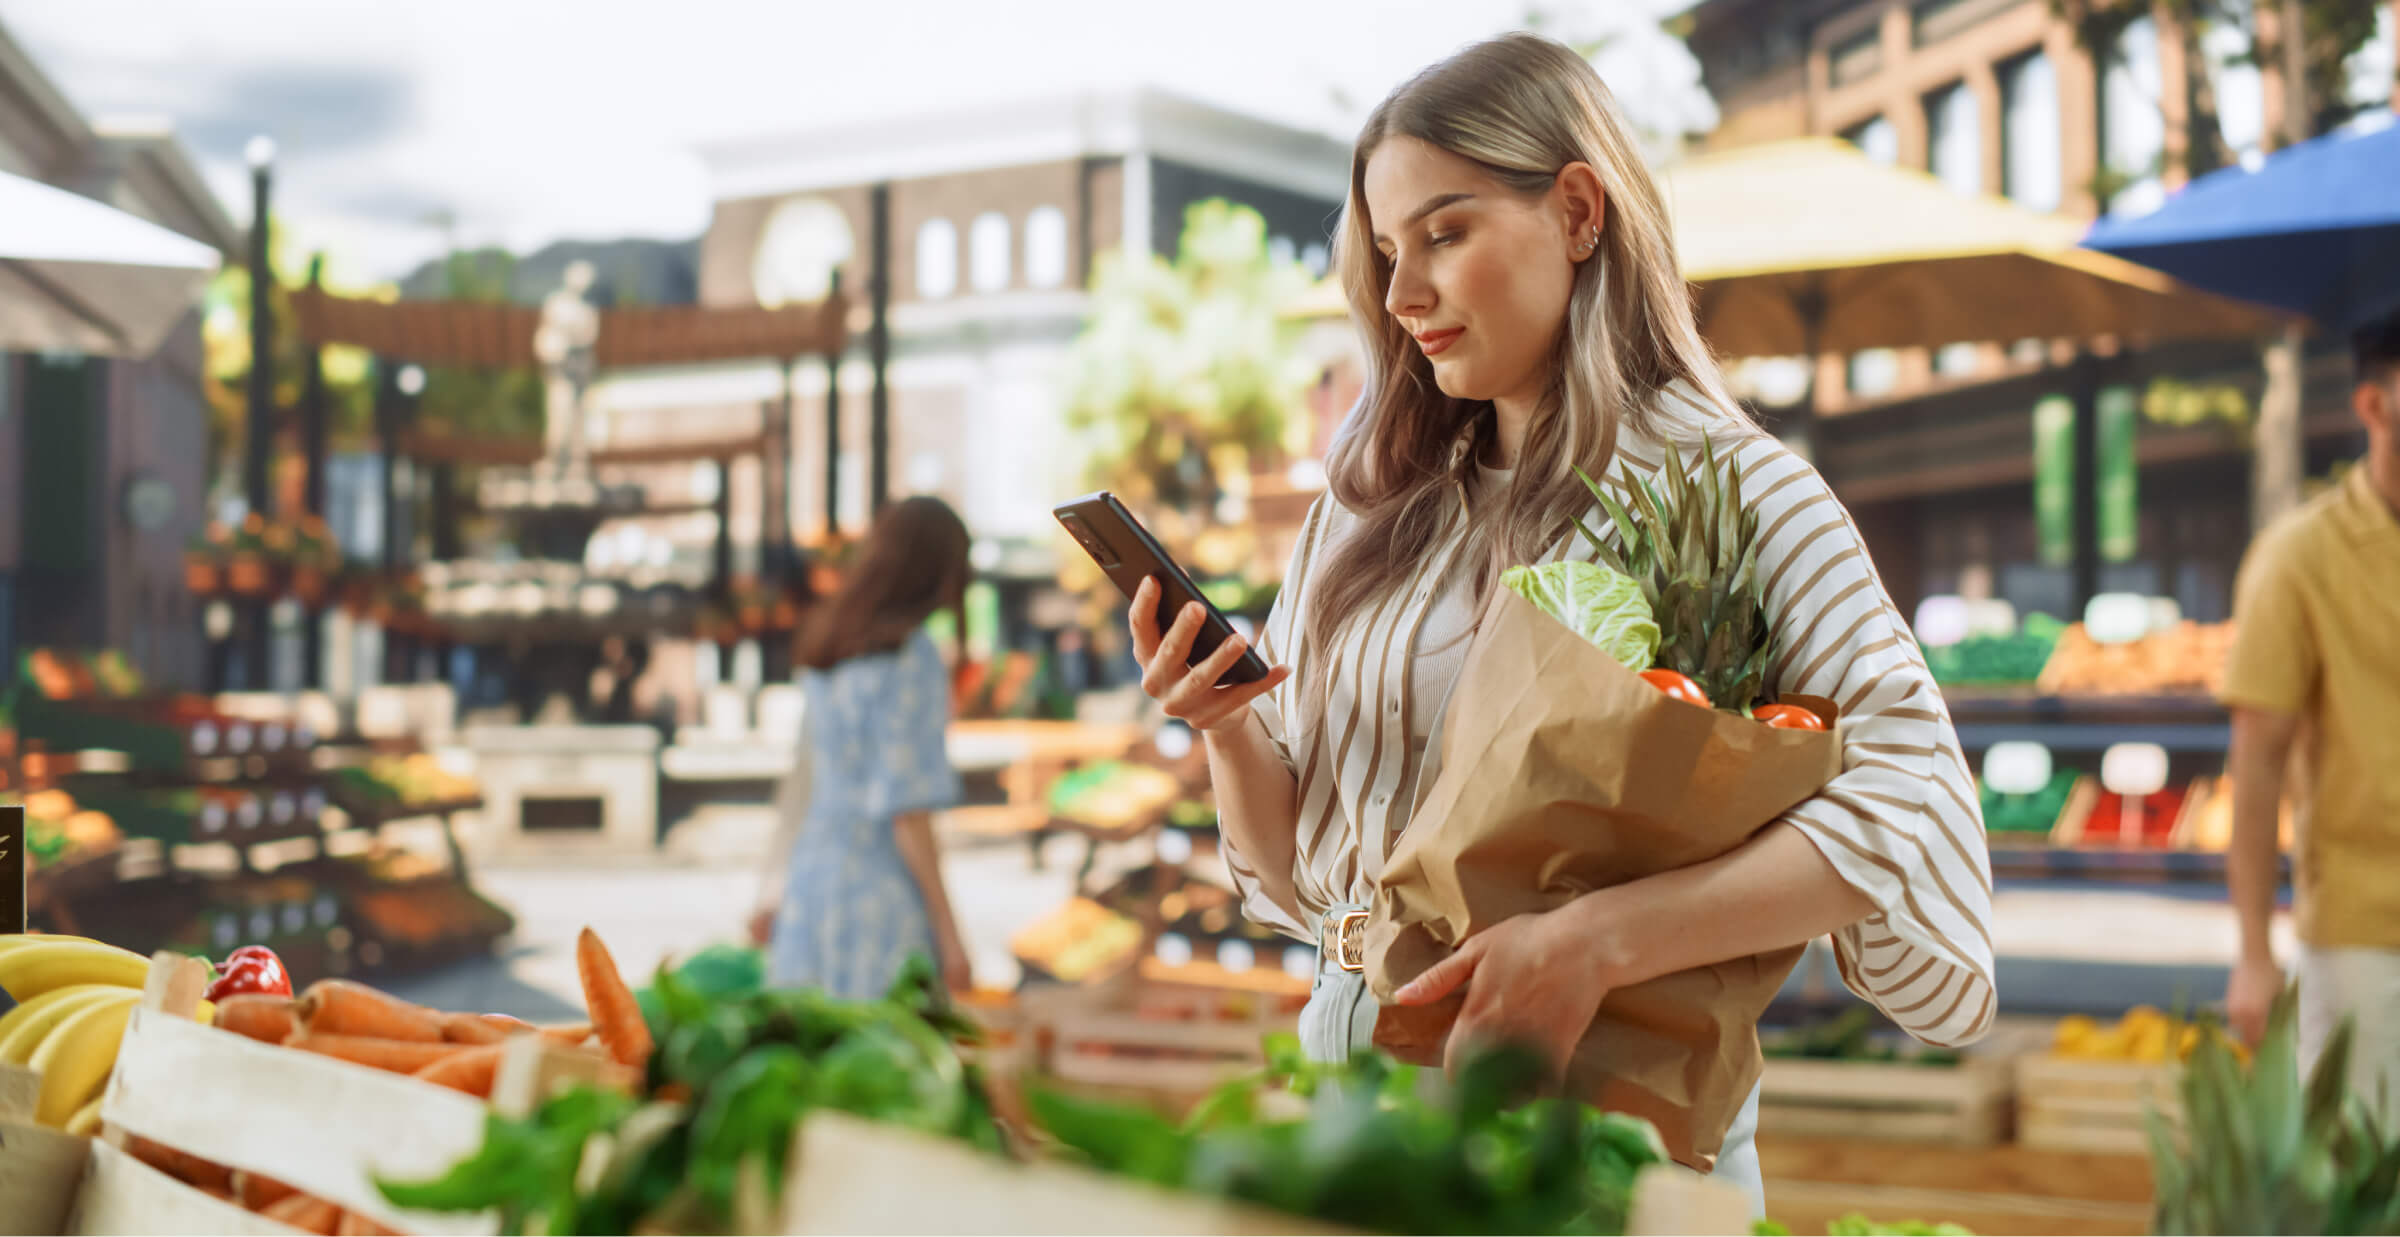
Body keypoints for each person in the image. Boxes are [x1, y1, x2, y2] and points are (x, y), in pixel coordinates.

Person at [1125, 33, 1995, 1213]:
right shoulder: (1370, 500)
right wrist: (1227, 727)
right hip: (1347, 1080)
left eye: (1444, 233)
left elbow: (1913, 799)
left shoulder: (1735, 492)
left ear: (1579, 211)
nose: (1401, 294)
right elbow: (1298, 881)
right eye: (1386, 252)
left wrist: (1598, 941)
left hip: (1605, 1114)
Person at [2220, 304, 2400, 1119]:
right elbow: (2254, 761)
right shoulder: (2301, 556)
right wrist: (2255, 953)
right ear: (2374, 404)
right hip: (2367, 936)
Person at [751, 496, 976, 998]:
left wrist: (771, 887)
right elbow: (907, 811)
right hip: (881, 900)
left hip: (811, 885)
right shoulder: (912, 656)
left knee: (808, 1053)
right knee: (878, 1061)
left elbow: (801, 781)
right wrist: (950, 933)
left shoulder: (828, 644)